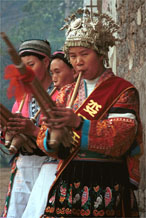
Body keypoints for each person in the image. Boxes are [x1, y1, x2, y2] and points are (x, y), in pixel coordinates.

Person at [36, 8, 143, 218]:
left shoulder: (123, 90)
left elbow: (122, 136)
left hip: (106, 180)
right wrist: (52, 135)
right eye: (73, 56)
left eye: (85, 54)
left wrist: (78, 123)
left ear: (101, 53)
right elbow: (43, 136)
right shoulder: (65, 93)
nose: (78, 62)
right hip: (69, 177)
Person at [2, 39, 55, 218]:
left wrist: (34, 130)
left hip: (51, 166)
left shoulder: (61, 92)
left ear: (46, 62)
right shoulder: (23, 96)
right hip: (24, 167)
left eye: (31, 65)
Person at [21, 51, 77, 218]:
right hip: (48, 167)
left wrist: (33, 131)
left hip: (69, 169)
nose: (54, 78)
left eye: (58, 72)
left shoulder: (82, 99)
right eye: (52, 73)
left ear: (73, 71)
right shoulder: (58, 98)